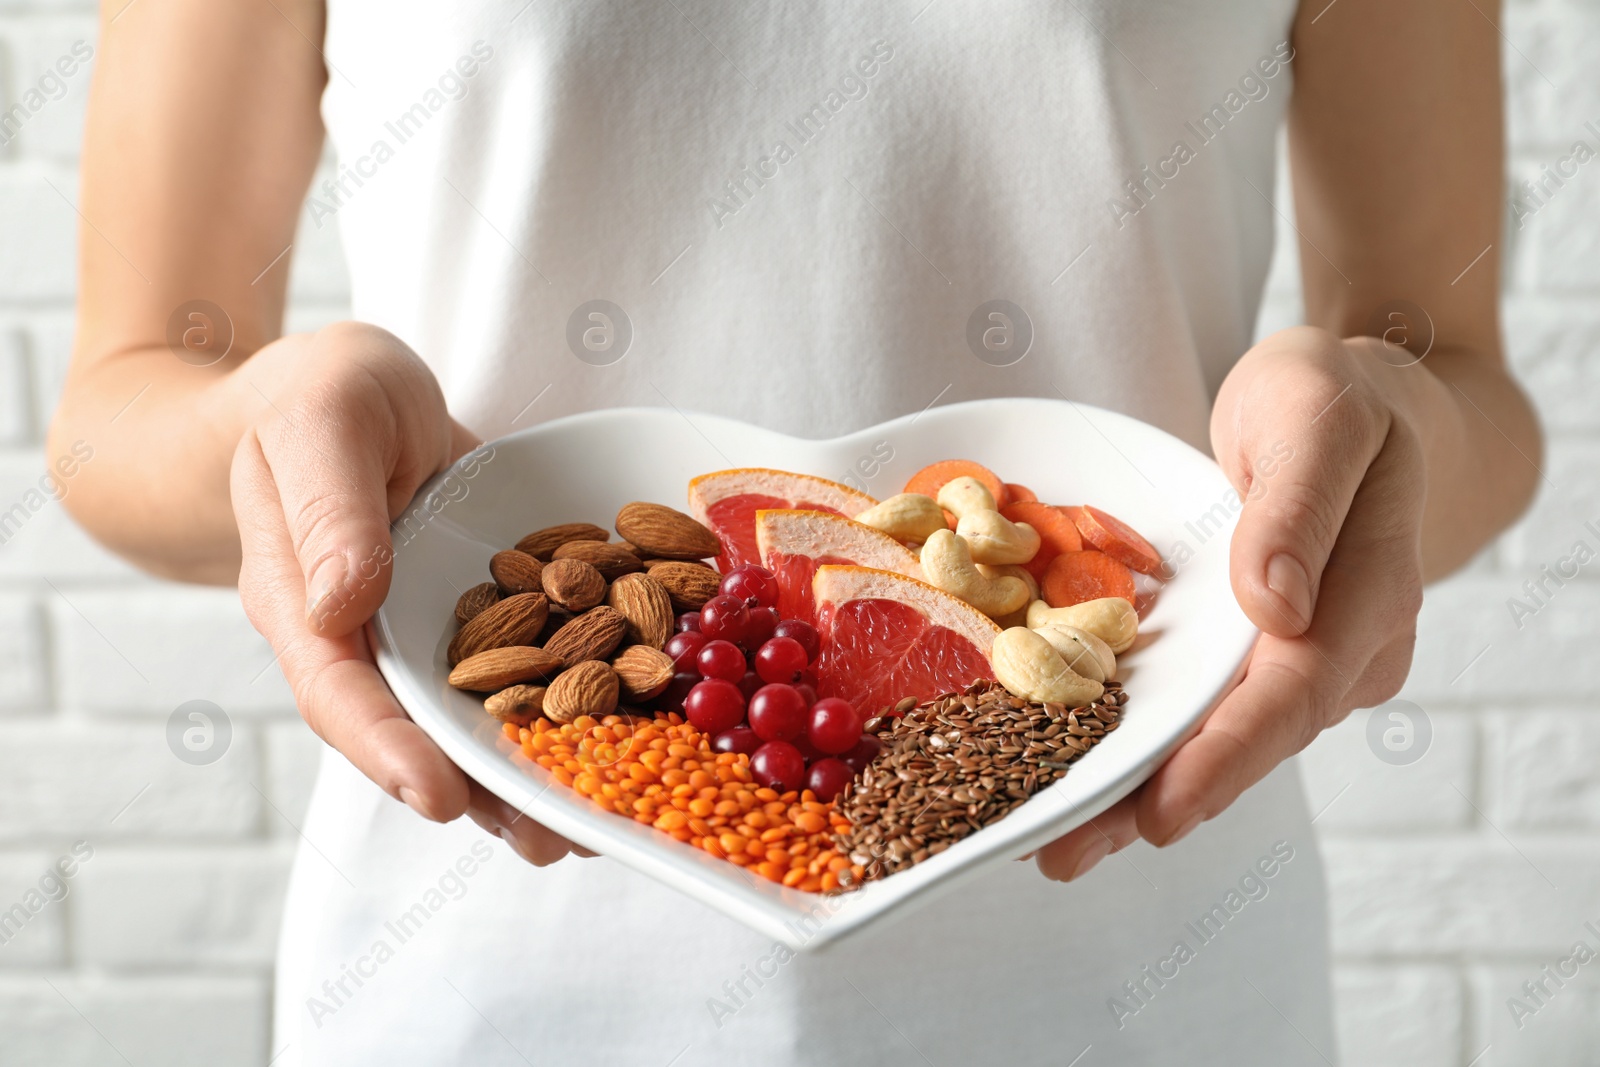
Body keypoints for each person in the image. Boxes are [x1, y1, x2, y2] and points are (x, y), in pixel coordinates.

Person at [52, 0, 1537, 1062]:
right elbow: (122, 407)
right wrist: (290, 416)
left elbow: (1454, 374)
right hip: (484, 933)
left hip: (1138, 936)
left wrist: (1378, 416)